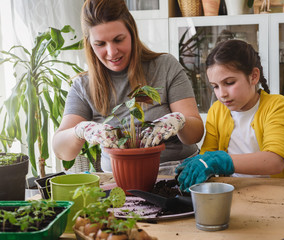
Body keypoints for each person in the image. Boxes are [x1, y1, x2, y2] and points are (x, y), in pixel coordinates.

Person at [52, 0, 204, 173]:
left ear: (131, 32)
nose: (112, 52)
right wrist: (80, 130)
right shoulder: (83, 86)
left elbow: (196, 134)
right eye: (100, 44)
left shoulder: (165, 66)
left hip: (177, 171)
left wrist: (179, 121)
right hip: (118, 177)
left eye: (118, 39)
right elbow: (61, 151)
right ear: (89, 43)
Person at [176, 39, 284, 191]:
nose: (222, 94)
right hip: (234, 189)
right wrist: (201, 164)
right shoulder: (217, 110)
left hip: (278, 191)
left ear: (254, 76)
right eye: (215, 86)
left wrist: (221, 162)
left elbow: (275, 161)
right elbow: (209, 155)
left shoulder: (277, 105)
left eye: (229, 83)